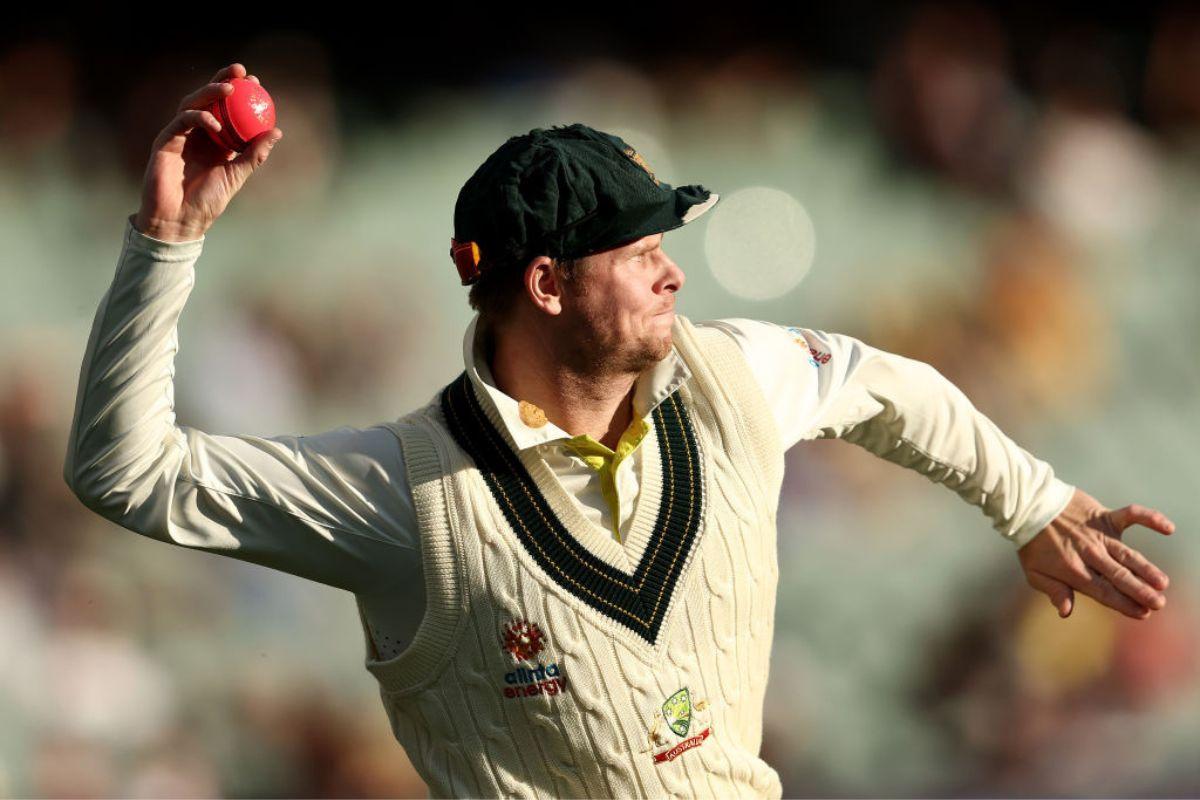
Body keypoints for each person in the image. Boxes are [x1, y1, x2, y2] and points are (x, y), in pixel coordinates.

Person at [65, 63, 1177, 799]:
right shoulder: (404, 492)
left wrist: (1029, 502)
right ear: (545, 282)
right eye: (639, 253)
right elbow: (126, 471)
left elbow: (889, 387)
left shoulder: (734, 376)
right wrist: (168, 242)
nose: (674, 270)